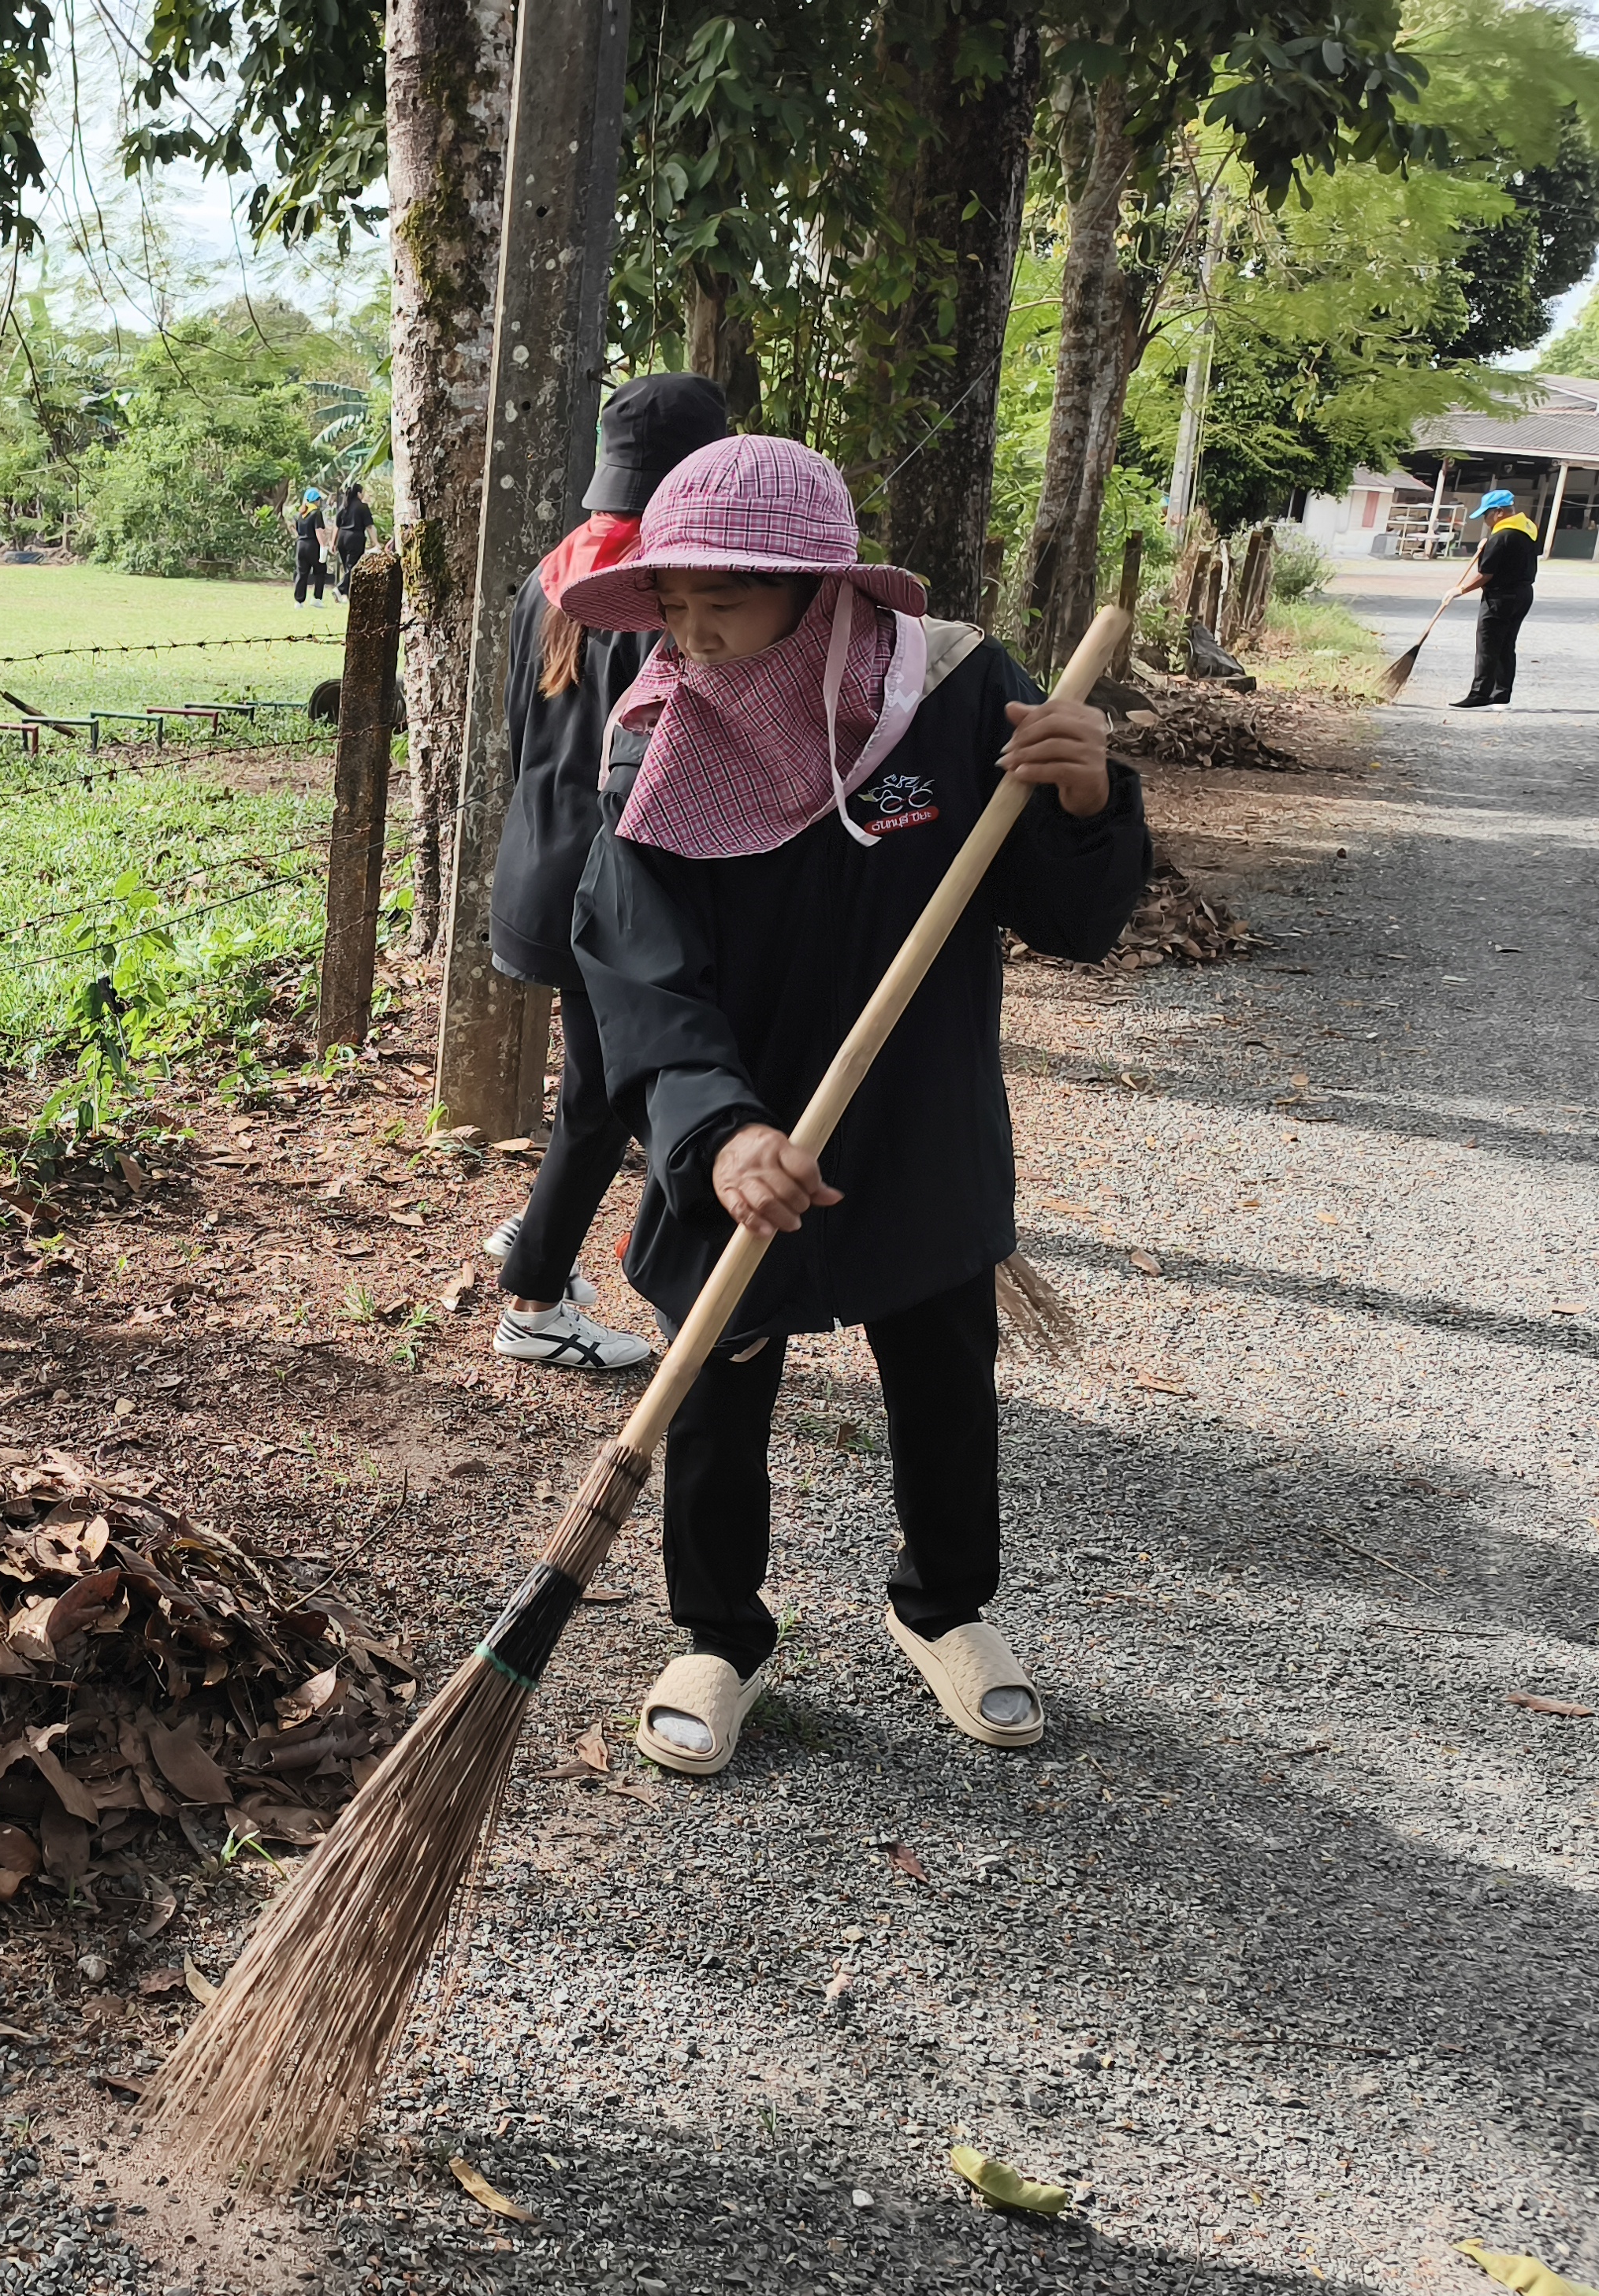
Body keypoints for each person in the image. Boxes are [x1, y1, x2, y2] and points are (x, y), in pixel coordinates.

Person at [554, 434, 1147, 1777]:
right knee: (713, 1387)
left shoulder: (953, 697)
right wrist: (716, 1128)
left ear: (819, 592)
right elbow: (634, 958)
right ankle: (716, 1633)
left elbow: (1071, 919)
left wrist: (1084, 796)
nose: (693, 632)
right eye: (673, 602)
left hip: (917, 1113)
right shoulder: (658, 729)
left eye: (728, 600)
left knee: (942, 1375)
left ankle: (942, 1605)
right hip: (740, 1128)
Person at [485, 373, 731, 1373]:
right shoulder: (675, 594)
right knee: (602, 1095)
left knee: (593, 1087)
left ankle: (533, 1236)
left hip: (533, 869)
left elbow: (512, 733)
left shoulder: (550, 574)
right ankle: (532, 1302)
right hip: (615, 890)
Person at [1453, 488, 1538, 709]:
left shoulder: (1500, 537)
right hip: (1523, 595)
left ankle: (1479, 694)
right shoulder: (1526, 530)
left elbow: (1485, 574)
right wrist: (1486, 547)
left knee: (1488, 645)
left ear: (1499, 512)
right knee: (1506, 644)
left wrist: (1459, 589)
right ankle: (1501, 694)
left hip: (1500, 598)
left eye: (1486, 514)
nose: (1485, 520)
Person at [333, 482, 373, 596]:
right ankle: (340, 589)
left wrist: (333, 542)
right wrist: (376, 543)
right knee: (352, 567)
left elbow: (337, 526)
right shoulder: (362, 507)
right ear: (359, 494)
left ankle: (347, 594)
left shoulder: (344, 507)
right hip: (355, 538)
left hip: (342, 538)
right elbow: (369, 527)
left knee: (347, 566)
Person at [291, 488, 329, 603]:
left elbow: (296, 529)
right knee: (320, 571)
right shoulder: (316, 513)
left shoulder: (300, 514)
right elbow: (319, 531)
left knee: (302, 573)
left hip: (301, 545)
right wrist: (323, 546)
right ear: (316, 501)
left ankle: (299, 601)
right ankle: (317, 599)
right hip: (313, 545)